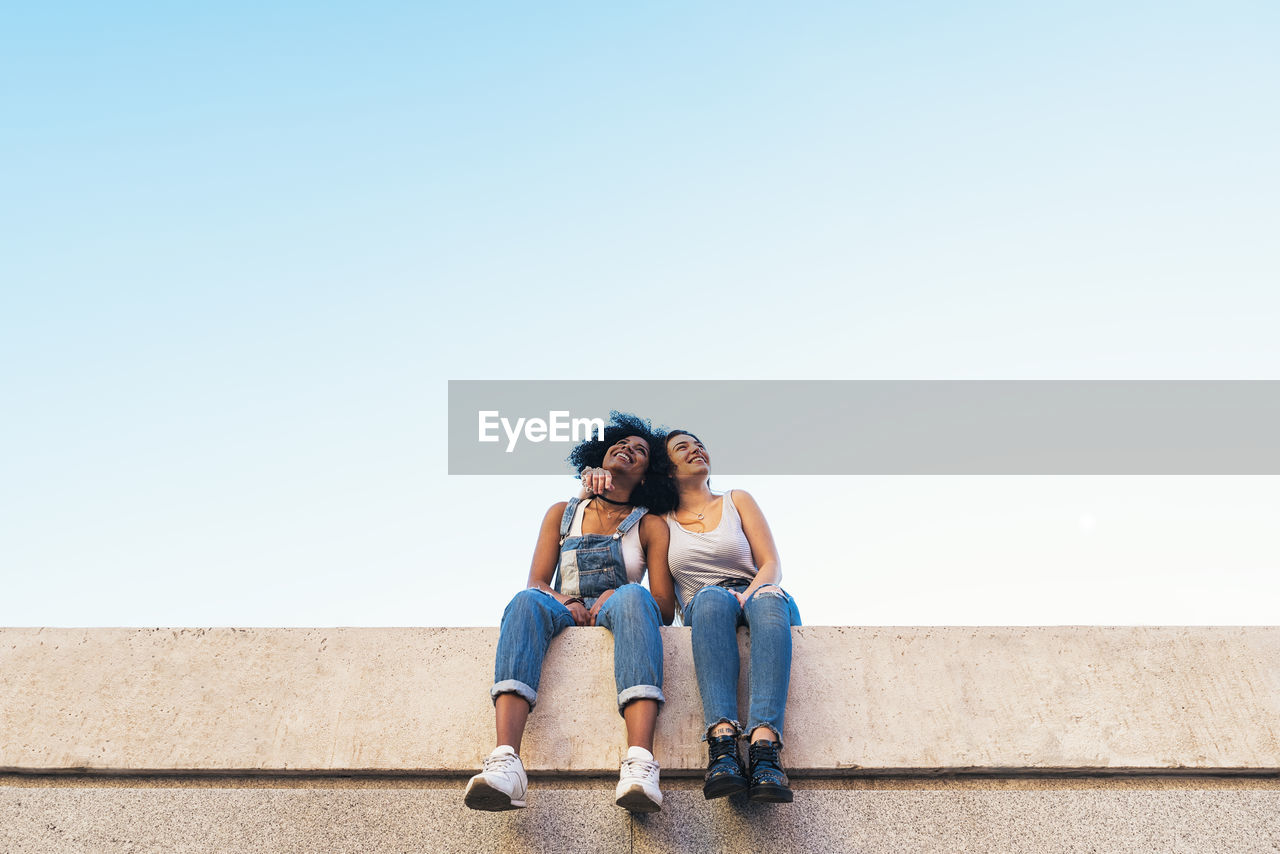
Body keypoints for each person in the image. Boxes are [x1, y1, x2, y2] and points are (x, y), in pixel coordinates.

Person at [464, 413, 677, 814]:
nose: (626, 449)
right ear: (601, 454)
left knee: (634, 597)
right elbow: (537, 582)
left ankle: (640, 764)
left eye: (640, 450)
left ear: (648, 475)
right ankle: (506, 761)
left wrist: (620, 590)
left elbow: (663, 607)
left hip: (619, 605)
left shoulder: (649, 525)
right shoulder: (564, 512)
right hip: (563, 606)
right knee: (524, 602)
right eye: (620, 443)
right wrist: (567, 603)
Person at [585, 428, 800, 802]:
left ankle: (765, 750)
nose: (696, 450)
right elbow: (605, 514)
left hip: (759, 592)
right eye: (682, 448)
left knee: (765, 599)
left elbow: (771, 565)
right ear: (668, 469)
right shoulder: (659, 522)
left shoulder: (737, 499)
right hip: (704, 605)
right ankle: (722, 745)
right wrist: (589, 480)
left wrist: (747, 595)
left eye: (699, 444)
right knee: (712, 599)